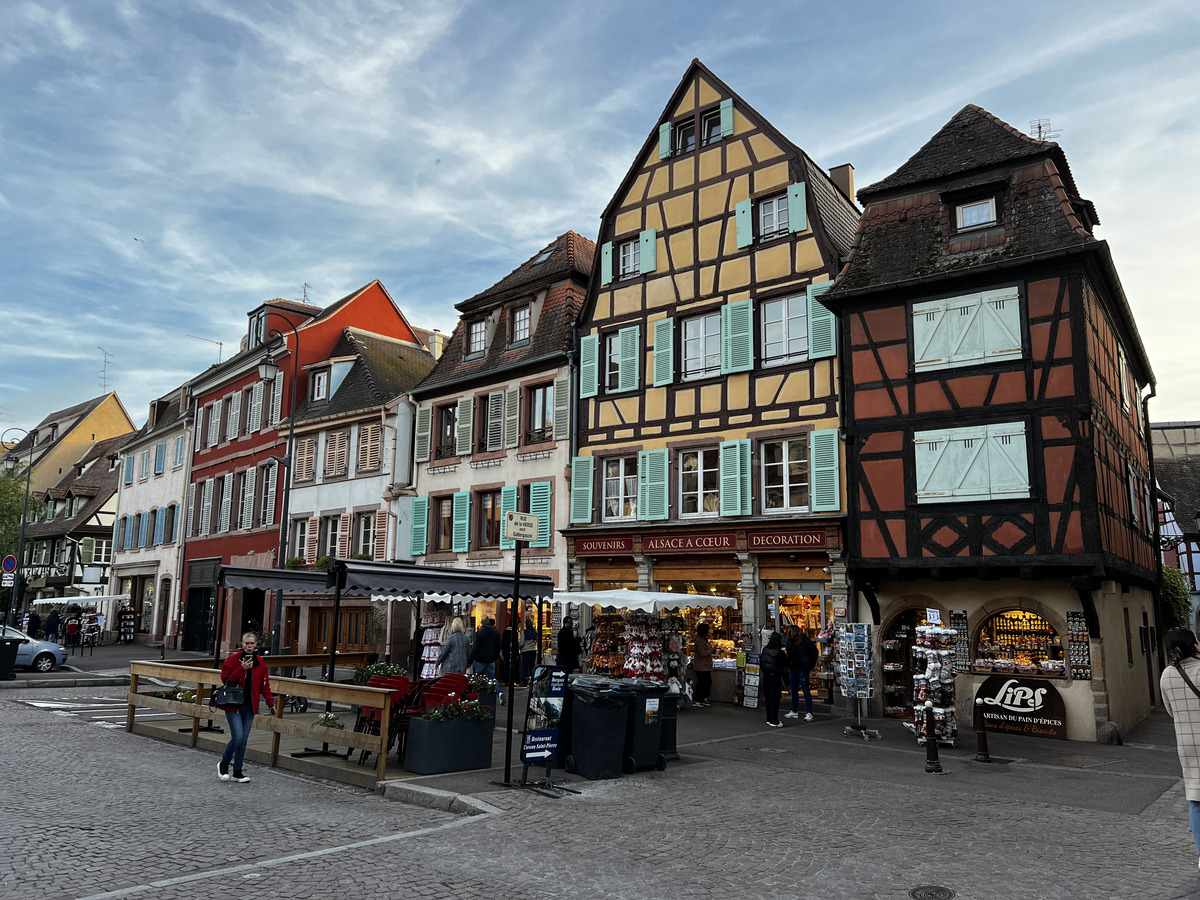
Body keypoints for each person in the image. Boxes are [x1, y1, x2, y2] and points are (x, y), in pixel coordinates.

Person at [1160, 628, 1200, 868]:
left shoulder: (1167, 675)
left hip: (1187, 743)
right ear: (1192, 644)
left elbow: (1170, 711)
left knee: (1196, 799)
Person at [217, 632, 275, 784]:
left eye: (252, 643)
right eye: (247, 643)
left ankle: (237, 771)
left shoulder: (260, 662)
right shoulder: (233, 660)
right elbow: (226, 679)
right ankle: (224, 764)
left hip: (250, 706)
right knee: (238, 737)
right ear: (242, 644)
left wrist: (270, 703)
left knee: (244, 740)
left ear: (256, 645)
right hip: (233, 705)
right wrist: (241, 668)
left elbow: (265, 686)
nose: (249, 646)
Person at [784, 625, 819, 721]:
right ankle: (794, 710)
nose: (791, 634)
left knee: (805, 690)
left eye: (792, 632)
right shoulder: (790, 642)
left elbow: (814, 652)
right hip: (793, 668)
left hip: (802, 669)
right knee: (794, 690)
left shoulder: (804, 641)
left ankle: (809, 712)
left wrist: (810, 665)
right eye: (790, 632)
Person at [759, 631, 789, 729]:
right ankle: (774, 720)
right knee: (775, 699)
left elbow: (762, 664)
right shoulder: (779, 653)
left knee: (768, 698)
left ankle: (769, 718)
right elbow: (785, 665)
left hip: (766, 676)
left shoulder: (765, 650)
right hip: (775, 677)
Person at [470, 616, 501, 680]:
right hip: (491, 659)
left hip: (480, 659)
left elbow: (475, 647)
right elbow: (498, 646)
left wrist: (471, 659)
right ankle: (496, 690)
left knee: (477, 678)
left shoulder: (479, 632)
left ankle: (477, 689)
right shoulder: (496, 632)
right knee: (492, 678)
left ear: (482, 622)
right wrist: (495, 657)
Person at [692, 623, 714, 707]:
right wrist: (712, 649)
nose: (709, 632)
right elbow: (703, 654)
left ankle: (703, 698)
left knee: (707, 682)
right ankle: (698, 700)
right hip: (701, 666)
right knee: (701, 683)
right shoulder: (700, 641)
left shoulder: (704, 639)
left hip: (705, 666)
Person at [521, 619, 538, 684]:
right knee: (532, 666)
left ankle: (525, 681)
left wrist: (519, 647)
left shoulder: (524, 632)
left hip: (526, 650)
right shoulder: (534, 632)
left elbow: (522, 642)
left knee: (525, 666)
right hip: (533, 650)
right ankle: (532, 680)